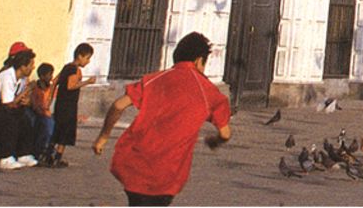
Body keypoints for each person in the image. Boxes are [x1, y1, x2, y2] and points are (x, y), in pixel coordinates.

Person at [93, 31, 231, 208]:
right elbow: (225, 133)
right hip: (168, 174)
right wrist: (215, 141)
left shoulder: (154, 79)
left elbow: (118, 105)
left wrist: (103, 137)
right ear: (199, 61)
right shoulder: (209, 92)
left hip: (135, 166)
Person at [52, 43, 97, 167]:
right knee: (65, 131)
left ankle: (48, 154)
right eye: (87, 58)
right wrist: (87, 82)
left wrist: (51, 98)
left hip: (60, 103)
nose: (88, 61)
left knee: (57, 128)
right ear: (79, 56)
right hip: (69, 105)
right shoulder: (75, 70)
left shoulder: (66, 67)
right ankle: (58, 157)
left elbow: (55, 81)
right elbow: (70, 86)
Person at [21, 62, 59, 164]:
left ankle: (46, 150)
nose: (51, 77)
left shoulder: (52, 89)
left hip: (46, 113)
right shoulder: (34, 87)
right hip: (35, 113)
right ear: (42, 76)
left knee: (49, 123)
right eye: (49, 75)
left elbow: (52, 104)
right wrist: (38, 107)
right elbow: (32, 103)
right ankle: (38, 150)